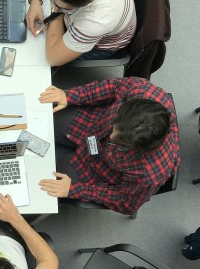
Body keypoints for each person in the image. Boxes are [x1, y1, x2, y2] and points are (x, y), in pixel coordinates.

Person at [38, 77, 180, 215]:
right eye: (115, 127)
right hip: (92, 123)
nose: (111, 136)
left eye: (121, 142)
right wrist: (70, 95)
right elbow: (112, 86)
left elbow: (125, 202)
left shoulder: (149, 174)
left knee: (40, 177)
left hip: (99, 169)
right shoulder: (143, 91)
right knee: (42, 114)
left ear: (140, 148)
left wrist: (75, 189)